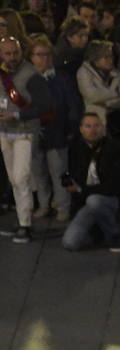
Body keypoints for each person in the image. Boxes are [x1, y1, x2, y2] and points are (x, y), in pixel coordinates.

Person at [0, 35, 52, 243]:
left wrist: (18, 115)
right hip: (4, 132)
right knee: (13, 178)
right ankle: (22, 218)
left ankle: (25, 225)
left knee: (21, 177)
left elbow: (45, 106)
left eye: (16, 52)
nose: (12, 57)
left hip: (25, 132)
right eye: (8, 53)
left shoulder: (31, 75)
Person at [62, 111, 120, 252]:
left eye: (96, 126)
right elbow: (73, 174)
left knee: (95, 201)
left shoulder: (113, 148)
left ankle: (115, 236)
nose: (92, 130)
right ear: (81, 129)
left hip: (109, 199)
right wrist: (67, 180)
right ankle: (99, 233)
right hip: (85, 201)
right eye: (88, 126)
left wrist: (82, 190)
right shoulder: (76, 149)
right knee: (70, 242)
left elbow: (116, 184)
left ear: (103, 128)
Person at [28, 38, 79, 223]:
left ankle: (63, 205)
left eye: (47, 54)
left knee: (60, 171)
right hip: (34, 131)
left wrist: (71, 127)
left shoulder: (62, 78)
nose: (44, 58)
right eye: (39, 55)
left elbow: (72, 103)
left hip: (57, 130)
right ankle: (44, 204)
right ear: (31, 57)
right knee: (38, 171)